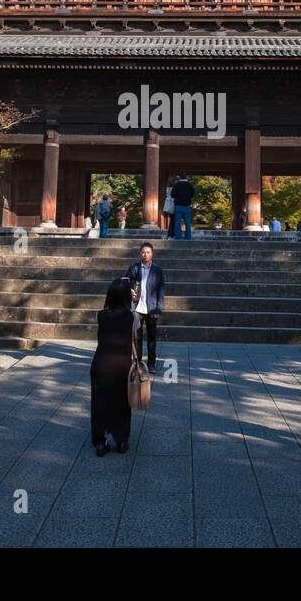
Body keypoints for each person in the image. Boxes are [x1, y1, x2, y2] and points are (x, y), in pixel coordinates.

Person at [91, 278, 136, 456]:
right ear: (127, 296)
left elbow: (106, 312)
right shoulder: (132, 316)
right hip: (122, 366)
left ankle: (100, 442)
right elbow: (134, 331)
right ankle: (122, 440)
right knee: (122, 403)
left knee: (99, 403)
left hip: (101, 363)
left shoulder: (100, 315)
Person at [126, 242, 165, 370]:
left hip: (152, 308)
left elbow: (161, 290)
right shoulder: (134, 268)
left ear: (152, 254)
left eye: (148, 252)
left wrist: (159, 307)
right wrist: (128, 290)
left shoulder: (157, 270)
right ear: (140, 253)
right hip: (137, 308)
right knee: (136, 336)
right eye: (143, 252)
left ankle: (151, 364)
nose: (145, 255)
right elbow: (124, 282)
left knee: (151, 337)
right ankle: (137, 362)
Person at [171, 173, 194, 240]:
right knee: (187, 222)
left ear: (180, 178)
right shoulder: (189, 185)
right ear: (186, 178)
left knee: (177, 222)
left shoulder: (176, 185)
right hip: (187, 205)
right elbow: (192, 194)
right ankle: (188, 237)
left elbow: (172, 194)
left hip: (178, 205)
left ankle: (178, 236)